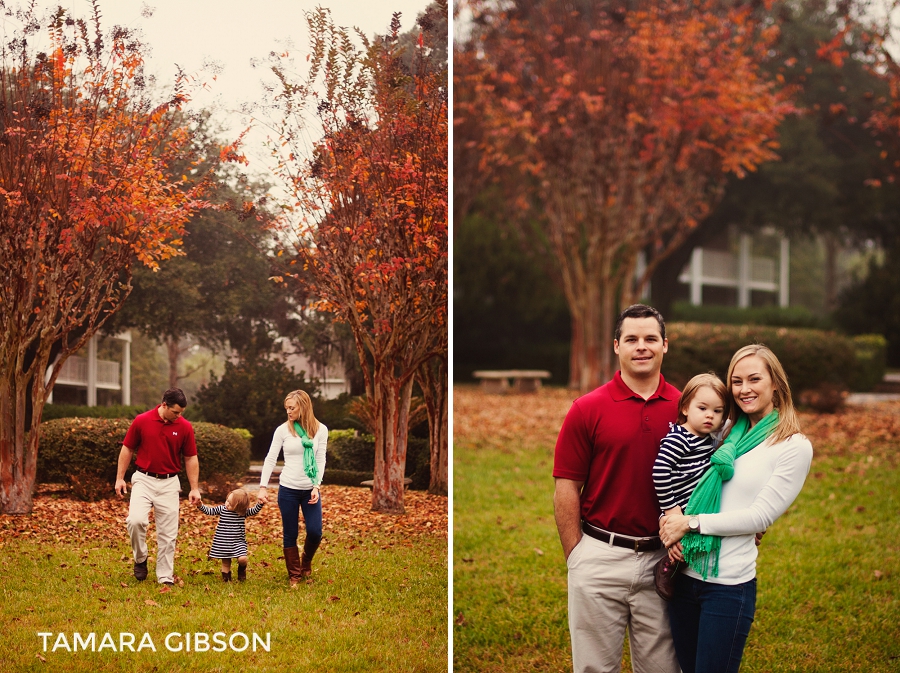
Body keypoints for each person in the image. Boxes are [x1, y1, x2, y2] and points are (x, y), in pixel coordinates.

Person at [659, 344, 813, 673]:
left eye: (754, 379)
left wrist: (690, 524)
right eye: (737, 381)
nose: (744, 389)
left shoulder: (793, 446)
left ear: (775, 384)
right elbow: (686, 481)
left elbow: (760, 516)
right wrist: (672, 523)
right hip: (684, 575)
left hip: (728, 587)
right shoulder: (724, 433)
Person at [553, 303, 681, 673]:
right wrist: (576, 556)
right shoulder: (587, 409)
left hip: (664, 561)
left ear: (665, 345)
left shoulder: (686, 408)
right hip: (598, 556)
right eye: (632, 339)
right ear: (616, 347)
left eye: (650, 339)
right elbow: (566, 487)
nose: (641, 346)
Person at [652, 373, 728, 598]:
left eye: (717, 411)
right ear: (685, 408)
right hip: (680, 505)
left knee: (700, 540)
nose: (709, 416)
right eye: (702, 408)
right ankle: (667, 567)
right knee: (683, 545)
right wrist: (672, 510)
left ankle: (678, 566)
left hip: (698, 504)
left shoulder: (708, 439)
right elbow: (659, 471)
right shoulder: (680, 438)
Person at [115, 388, 201, 585]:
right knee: (135, 521)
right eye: (176, 412)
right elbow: (127, 448)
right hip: (143, 479)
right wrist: (120, 478)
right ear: (164, 405)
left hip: (170, 483)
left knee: (168, 534)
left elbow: (190, 457)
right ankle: (140, 558)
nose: (179, 416)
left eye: (181, 413)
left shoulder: (185, 427)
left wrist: (194, 488)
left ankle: (164, 576)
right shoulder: (142, 421)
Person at [257, 389, 327, 586]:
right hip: (288, 488)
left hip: (310, 489)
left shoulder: (321, 430)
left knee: (315, 531)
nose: (288, 411)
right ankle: (294, 574)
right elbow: (270, 459)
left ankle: (305, 563)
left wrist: (316, 486)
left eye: (291, 408)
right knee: (290, 532)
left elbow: (320, 459)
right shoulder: (282, 430)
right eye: (286, 408)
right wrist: (263, 486)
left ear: (303, 407)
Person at [197, 488, 264, 581]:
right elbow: (210, 511)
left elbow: (254, 510)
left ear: (239, 506)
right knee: (226, 563)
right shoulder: (222, 509)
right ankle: (227, 580)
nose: (227, 504)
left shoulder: (242, 512)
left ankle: (241, 570)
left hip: (238, 542)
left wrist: (260, 503)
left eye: (231, 503)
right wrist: (200, 505)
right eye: (227, 501)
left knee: (243, 559)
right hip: (223, 542)